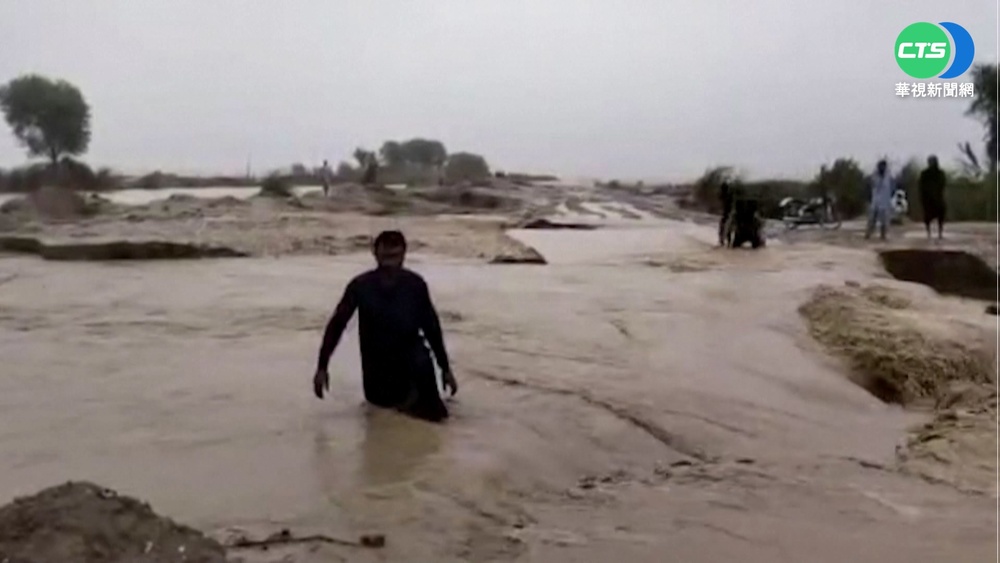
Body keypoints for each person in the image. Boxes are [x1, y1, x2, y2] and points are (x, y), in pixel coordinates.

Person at [313, 230, 458, 422]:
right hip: (377, 372)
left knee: (435, 423)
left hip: (415, 367)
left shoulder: (415, 285)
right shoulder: (361, 286)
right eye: (385, 257)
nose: (390, 264)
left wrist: (445, 368)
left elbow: (431, 327)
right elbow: (337, 325)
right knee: (387, 414)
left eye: (395, 257)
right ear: (375, 254)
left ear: (404, 255)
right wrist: (322, 367)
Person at [865, 159, 896, 240]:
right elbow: (871, 185)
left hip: (885, 201)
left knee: (884, 220)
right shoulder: (874, 175)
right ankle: (868, 233)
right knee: (872, 219)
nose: (882, 168)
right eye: (880, 166)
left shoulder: (888, 175)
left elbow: (892, 186)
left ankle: (883, 235)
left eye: (883, 166)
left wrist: (891, 196)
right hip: (876, 200)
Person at [918, 155, 947, 240]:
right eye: (930, 162)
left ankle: (940, 233)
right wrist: (922, 198)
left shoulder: (940, 173)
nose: (931, 163)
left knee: (941, 214)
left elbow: (943, 184)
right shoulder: (924, 174)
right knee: (927, 217)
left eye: (933, 161)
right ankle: (928, 233)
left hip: (938, 198)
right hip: (928, 199)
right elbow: (921, 187)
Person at [718, 181, 733, 246]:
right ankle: (726, 241)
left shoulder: (726, 195)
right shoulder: (728, 195)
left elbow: (727, 204)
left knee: (724, 227)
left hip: (727, 213)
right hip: (727, 213)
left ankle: (724, 241)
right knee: (726, 228)